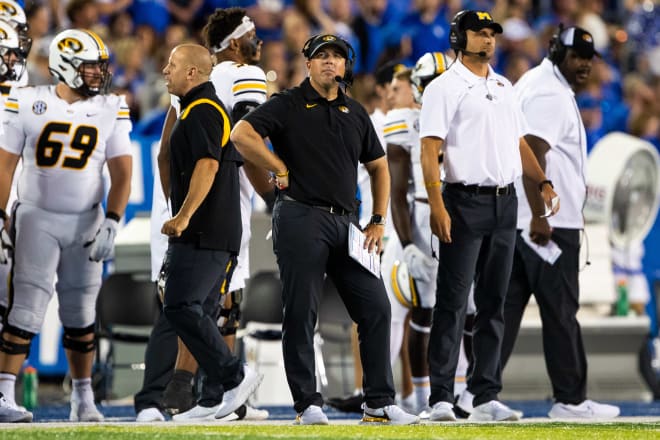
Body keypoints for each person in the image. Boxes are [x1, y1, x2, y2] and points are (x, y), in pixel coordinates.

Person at [231, 33, 419, 426]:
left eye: (336, 56)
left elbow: (379, 166)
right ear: (308, 63)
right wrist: (277, 168)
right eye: (321, 57)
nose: (329, 63)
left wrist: (379, 219)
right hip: (301, 216)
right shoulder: (287, 103)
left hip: (349, 222)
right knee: (302, 311)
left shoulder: (356, 110)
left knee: (377, 307)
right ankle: (307, 404)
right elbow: (241, 135)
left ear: (346, 65)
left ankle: (379, 402)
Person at [419, 10, 559, 422]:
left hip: (505, 203)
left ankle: (483, 396)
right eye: (479, 33)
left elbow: (518, 142)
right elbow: (429, 149)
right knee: (452, 301)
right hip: (463, 201)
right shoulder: (444, 87)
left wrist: (543, 182)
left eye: (491, 34)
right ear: (458, 38)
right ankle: (441, 396)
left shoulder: (503, 85)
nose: (487, 40)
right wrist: (437, 204)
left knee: (495, 303)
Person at [135, 7, 271, 422]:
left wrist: (178, 208)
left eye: (172, 64)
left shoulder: (194, 101)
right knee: (207, 308)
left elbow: (168, 157)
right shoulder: (240, 76)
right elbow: (248, 144)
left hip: (198, 215)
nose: (259, 45)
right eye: (253, 38)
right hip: (220, 214)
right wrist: (275, 193)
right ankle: (218, 391)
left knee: (186, 307)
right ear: (234, 43)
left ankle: (213, 391)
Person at [0, 28, 133, 423]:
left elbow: (122, 172)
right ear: (64, 66)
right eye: (90, 66)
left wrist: (112, 219)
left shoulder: (112, 106)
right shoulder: (25, 101)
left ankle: (83, 397)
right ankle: (4, 392)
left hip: (86, 219)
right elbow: (5, 165)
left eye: (99, 66)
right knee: (25, 308)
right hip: (36, 217)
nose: (98, 74)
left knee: (80, 311)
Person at [499, 25, 620, 419]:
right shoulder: (549, 93)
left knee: (505, 309)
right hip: (547, 223)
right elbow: (532, 151)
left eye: (589, 58)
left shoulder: (541, 83)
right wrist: (540, 215)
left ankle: (476, 393)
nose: (584, 65)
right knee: (560, 311)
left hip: (526, 219)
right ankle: (569, 400)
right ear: (555, 51)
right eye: (576, 57)